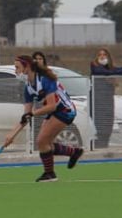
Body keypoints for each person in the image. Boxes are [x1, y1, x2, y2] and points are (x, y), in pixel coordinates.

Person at [13, 54, 83, 182]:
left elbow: (51, 106)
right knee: (44, 143)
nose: (15, 71)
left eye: (17, 67)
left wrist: (33, 113)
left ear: (27, 67)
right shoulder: (28, 87)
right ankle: (73, 152)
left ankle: (50, 173)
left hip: (65, 110)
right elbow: (26, 116)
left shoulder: (44, 80)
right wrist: (11, 136)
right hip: (55, 111)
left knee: (41, 142)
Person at [89, 47, 122, 148]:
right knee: (98, 125)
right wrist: (112, 73)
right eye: (100, 55)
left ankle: (104, 145)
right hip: (97, 101)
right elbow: (100, 72)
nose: (102, 57)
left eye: (104, 55)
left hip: (108, 102)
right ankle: (96, 145)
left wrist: (113, 72)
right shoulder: (94, 67)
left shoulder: (111, 68)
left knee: (107, 124)